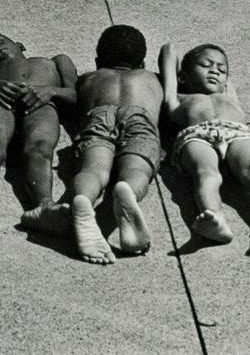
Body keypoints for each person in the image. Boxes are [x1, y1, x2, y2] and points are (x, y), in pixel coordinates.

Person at [25, 25, 162, 265]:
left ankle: (83, 200)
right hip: (140, 116)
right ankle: (128, 191)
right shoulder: (152, 78)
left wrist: (53, 89)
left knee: (93, 170)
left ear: (98, 61)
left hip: (100, 114)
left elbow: (70, 92)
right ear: (142, 63)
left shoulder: (90, 78)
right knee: (137, 169)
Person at [158, 42, 250, 244]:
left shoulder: (228, 94)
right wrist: (183, 67)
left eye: (221, 69)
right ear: (182, 77)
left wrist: (208, 69)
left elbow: (224, 78)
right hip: (197, 134)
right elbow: (169, 50)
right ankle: (215, 219)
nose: (214, 71)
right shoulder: (177, 98)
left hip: (237, 133)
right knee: (206, 173)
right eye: (205, 65)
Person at [0, 33, 77, 229]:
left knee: (40, 148)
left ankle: (44, 205)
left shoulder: (58, 60)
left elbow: (74, 95)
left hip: (40, 101)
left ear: (19, 45)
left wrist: (50, 91)